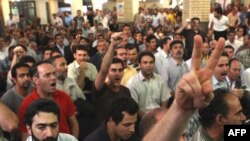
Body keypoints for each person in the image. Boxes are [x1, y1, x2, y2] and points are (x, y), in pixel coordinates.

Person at [142, 35, 225, 141]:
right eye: (175, 48)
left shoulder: (185, 65)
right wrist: (179, 108)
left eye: (180, 47)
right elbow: (165, 85)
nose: (178, 50)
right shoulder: (166, 66)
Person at [18, 61, 79, 140]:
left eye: (54, 73)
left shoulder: (64, 96)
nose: (53, 77)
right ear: (36, 80)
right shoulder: (27, 104)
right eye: (47, 75)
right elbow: (25, 133)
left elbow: (73, 123)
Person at [93, 40, 131, 126]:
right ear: (108, 72)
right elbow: (103, 71)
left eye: (120, 70)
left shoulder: (126, 91)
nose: (117, 73)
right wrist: (112, 45)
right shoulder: (101, 89)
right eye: (113, 70)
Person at [127, 51, 170, 117]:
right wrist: (147, 119)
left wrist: (161, 117)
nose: (148, 65)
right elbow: (134, 107)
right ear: (139, 64)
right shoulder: (132, 82)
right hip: (141, 118)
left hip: (159, 117)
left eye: (151, 62)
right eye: (145, 63)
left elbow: (164, 101)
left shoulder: (160, 80)